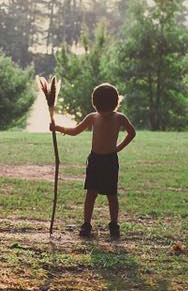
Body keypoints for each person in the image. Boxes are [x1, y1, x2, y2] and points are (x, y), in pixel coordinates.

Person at [50, 83, 136, 238]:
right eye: (100, 110)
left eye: (106, 110)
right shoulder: (93, 117)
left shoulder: (120, 118)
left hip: (110, 160)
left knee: (112, 194)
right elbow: (75, 131)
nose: (103, 113)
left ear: (115, 104)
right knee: (91, 193)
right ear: (95, 105)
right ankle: (87, 224)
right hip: (95, 160)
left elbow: (131, 133)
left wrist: (118, 147)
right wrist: (58, 128)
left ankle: (114, 224)